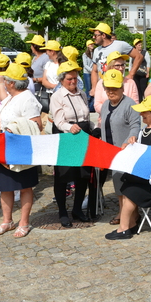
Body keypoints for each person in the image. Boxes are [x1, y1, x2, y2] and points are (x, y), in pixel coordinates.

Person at [105, 95, 151, 240]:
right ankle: (130, 224)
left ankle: (124, 228)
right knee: (126, 184)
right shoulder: (143, 130)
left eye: (145, 112)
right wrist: (131, 144)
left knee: (132, 190)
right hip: (143, 172)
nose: (141, 114)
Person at [0, 63, 43, 238]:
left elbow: (36, 124)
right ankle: (7, 220)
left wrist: (13, 128)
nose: (4, 82)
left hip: (20, 148)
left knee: (24, 187)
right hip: (2, 147)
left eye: (5, 80)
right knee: (5, 186)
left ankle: (24, 222)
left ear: (11, 83)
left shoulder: (27, 98)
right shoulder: (11, 96)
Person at [50, 60, 93, 227]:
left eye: (75, 78)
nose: (73, 81)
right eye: (69, 79)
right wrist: (70, 127)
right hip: (66, 136)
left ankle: (77, 209)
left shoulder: (82, 94)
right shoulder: (57, 96)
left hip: (82, 135)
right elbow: (59, 122)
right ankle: (62, 211)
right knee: (62, 175)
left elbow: (86, 116)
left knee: (83, 174)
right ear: (61, 80)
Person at [99, 69, 142, 227]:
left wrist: (129, 140)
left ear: (122, 88)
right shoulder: (105, 105)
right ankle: (125, 212)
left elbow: (135, 126)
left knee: (126, 185)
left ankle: (129, 216)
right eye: (108, 88)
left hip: (125, 151)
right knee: (117, 183)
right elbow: (104, 127)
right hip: (110, 152)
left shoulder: (129, 104)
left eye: (114, 88)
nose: (111, 92)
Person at [89, 23, 144, 96]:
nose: (93, 37)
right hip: (102, 87)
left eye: (96, 35)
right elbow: (95, 71)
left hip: (117, 86)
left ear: (103, 35)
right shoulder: (96, 50)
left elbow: (139, 57)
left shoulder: (120, 45)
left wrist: (131, 74)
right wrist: (94, 87)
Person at [93, 51, 139, 119]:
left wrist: (120, 113)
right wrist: (112, 111)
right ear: (110, 66)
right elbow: (97, 105)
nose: (121, 68)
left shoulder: (130, 83)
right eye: (117, 65)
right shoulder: (101, 83)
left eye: (122, 65)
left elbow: (135, 105)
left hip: (125, 122)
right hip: (105, 121)